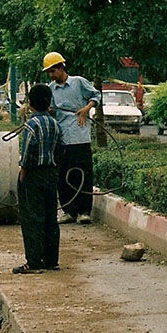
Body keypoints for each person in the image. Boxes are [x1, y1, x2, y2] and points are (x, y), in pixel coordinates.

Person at [43, 51, 99, 225]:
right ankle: (69, 211)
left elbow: (96, 96)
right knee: (62, 176)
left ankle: (84, 211)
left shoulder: (78, 82)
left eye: (53, 71)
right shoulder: (51, 89)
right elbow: (49, 109)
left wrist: (86, 108)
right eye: (49, 73)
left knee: (82, 176)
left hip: (80, 136)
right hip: (61, 138)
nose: (52, 75)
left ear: (61, 68)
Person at [14, 83, 63, 274]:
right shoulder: (54, 123)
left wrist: (22, 175)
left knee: (32, 217)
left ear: (30, 103)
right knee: (51, 217)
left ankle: (33, 262)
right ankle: (52, 260)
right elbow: (60, 147)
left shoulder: (31, 125)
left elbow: (27, 153)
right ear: (49, 102)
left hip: (34, 175)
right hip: (51, 174)